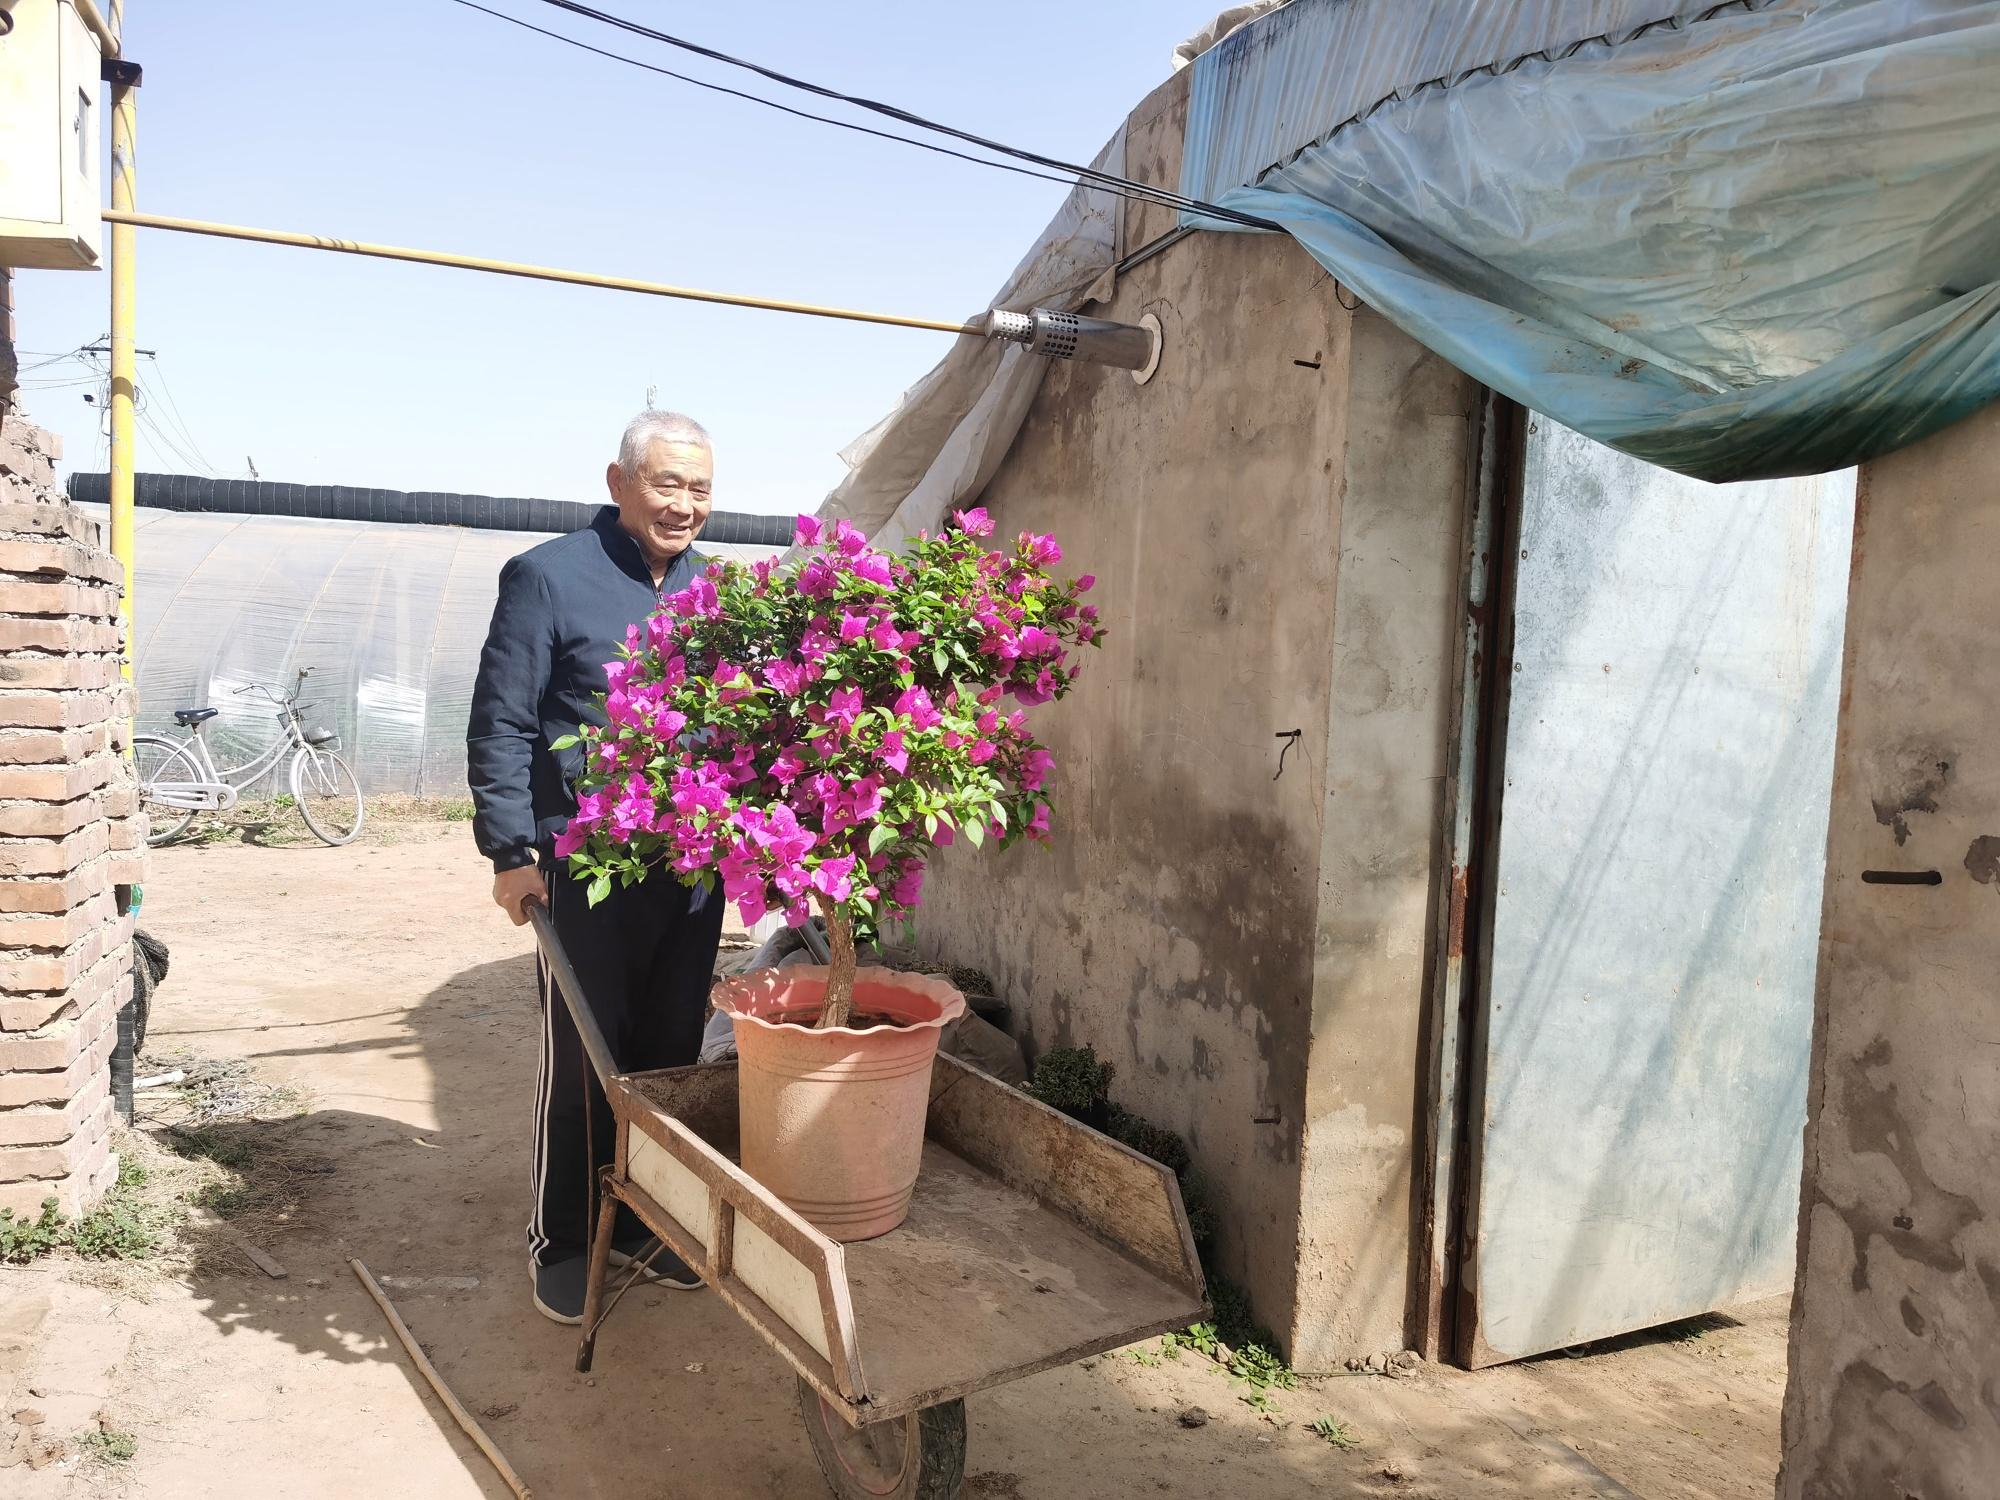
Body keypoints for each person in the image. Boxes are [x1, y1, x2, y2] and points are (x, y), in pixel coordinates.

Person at [467, 409, 726, 1323]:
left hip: (690, 871)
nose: (684, 504)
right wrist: (509, 851)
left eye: (699, 487)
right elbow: (502, 721)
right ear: (619, 484)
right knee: (586, 1059)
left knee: (669, 1054)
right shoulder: (547, 578)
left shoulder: (720, 592)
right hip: (583, 869)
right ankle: (566, 1237)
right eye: (667, 484)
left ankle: (646, 1222)